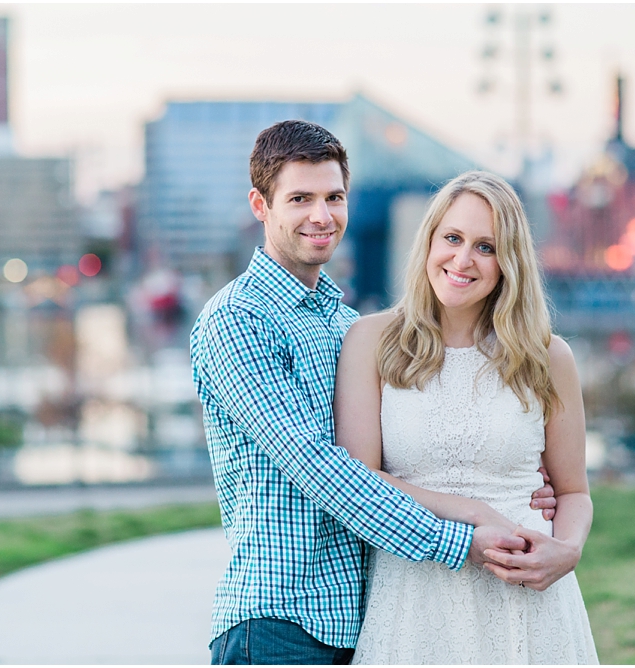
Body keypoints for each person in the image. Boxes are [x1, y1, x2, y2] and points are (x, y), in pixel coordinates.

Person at [190, 122, 558, 665]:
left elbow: (393, 458)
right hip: (278, 625)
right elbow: (323, 470)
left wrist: (515, 482)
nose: (322, 216)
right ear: (260, 205)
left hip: (362, 621)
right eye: (300, 199)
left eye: (333, 197)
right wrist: (463, 536)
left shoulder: (346, 326)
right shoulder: (237, 321)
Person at [334, 170, 599, 663]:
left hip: (527, 596)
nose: (462, 260)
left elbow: (573, 492)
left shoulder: (547, 355)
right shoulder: (372, 340)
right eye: (452, 238)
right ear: (428, 241)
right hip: (415, 595)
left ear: (509, 262)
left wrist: (567, 550)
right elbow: (359, 481)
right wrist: (473, 512)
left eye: (486, 247)